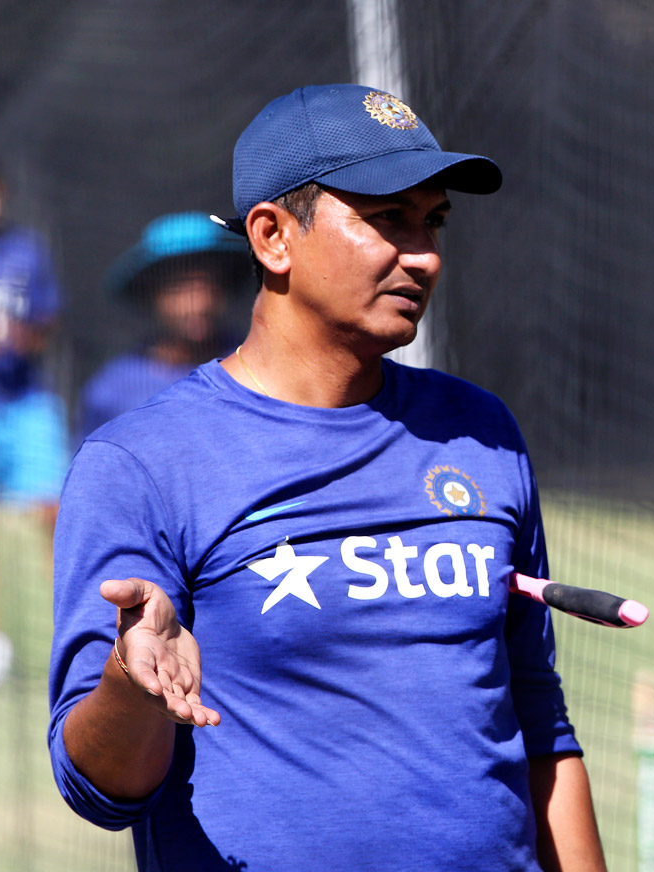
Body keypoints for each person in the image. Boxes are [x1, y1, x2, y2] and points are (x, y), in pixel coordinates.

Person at [48, 84, 607, 872]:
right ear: (273, 237)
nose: (424, 255)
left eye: (434, 220)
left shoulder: (483, 434)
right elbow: (101, 788)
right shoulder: (141, 462)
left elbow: (538, 719)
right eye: (388, 220)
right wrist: (131, 684)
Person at [0, 162, 67, 696]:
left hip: (27, 402)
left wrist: (15, 339)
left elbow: (47, 319)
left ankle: (76, 626)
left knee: (57, 512)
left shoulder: (26, 250)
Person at [76, 212, 249, 440]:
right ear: (152, 296)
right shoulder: (113, 391)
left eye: (207, 285)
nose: (198, 303)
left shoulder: (254, 365)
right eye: (180, 288)